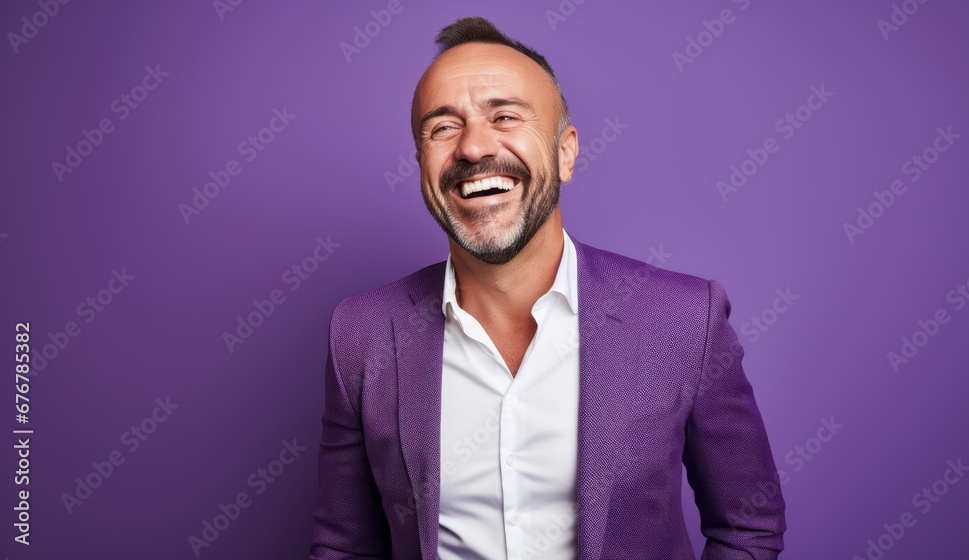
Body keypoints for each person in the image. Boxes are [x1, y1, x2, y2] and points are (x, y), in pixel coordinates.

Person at [311, 16, 786, 560]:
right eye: (442, 127)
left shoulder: (684, 319)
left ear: (565, 152)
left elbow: (748, 526)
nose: (472, 147)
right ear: (421, 165)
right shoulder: (361, 334)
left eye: (505, 116)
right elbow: (343, 545)